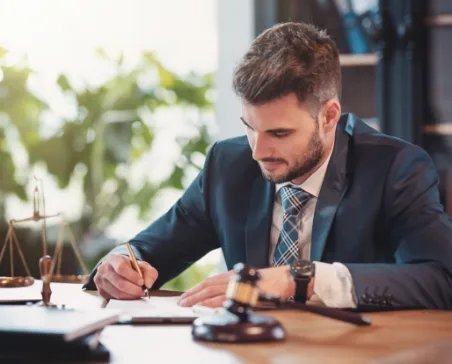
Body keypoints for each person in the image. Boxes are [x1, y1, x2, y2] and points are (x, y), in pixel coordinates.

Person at [85, 22, 452, 310]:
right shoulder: (227, 166)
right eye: (250, 128)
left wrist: (299, 279)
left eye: (279, 132)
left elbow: (442, 280)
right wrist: (120, 266)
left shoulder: (395, 169)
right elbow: (146, 252)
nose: (259, 151)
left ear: (329, 116)